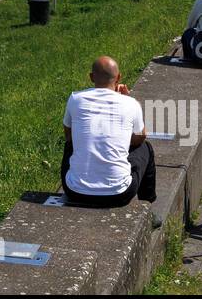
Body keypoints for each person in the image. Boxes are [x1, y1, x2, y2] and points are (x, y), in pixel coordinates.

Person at [61, 56, 156, 207]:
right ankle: (148, 205)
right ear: (118, 77)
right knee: (146, 148)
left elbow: (68, 136)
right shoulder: (131, 104)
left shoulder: (75, 99)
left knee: (70, 144)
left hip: (75, 191)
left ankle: (79, 176)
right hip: (119, 194)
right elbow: (141, 137)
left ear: (91, 77)